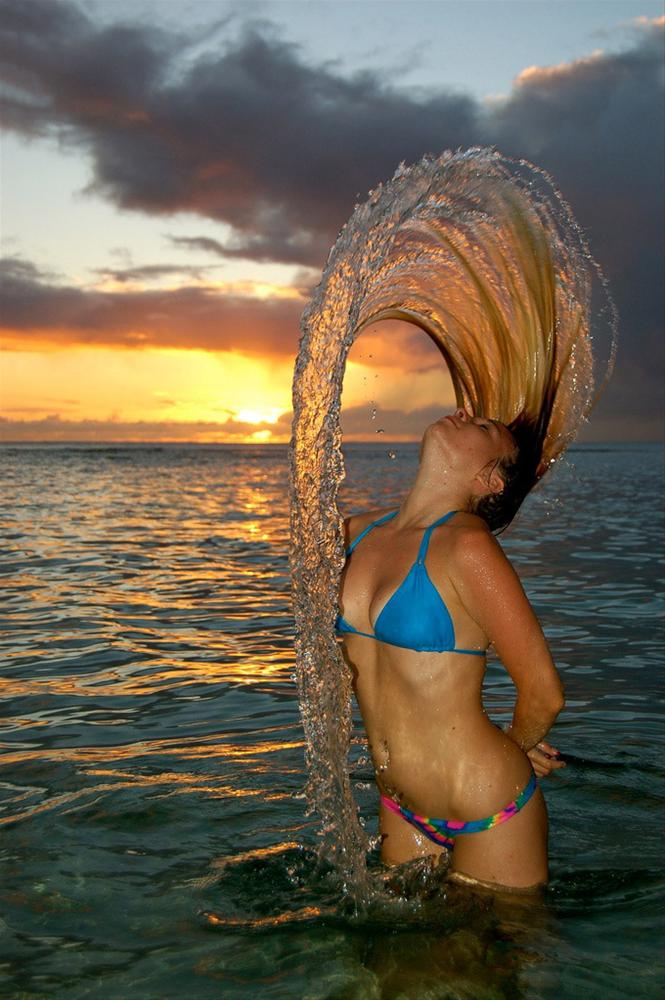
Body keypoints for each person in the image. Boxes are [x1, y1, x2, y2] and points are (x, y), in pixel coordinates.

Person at [335, 407, 567, 893]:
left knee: (500, 943)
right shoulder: (355, 533)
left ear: (490, 480)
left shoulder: (468, 547)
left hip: (487, 802)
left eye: (484, 428)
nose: (463, 412)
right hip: (400, 803)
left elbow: (543, 693)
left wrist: (517, 747)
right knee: (395, 943)